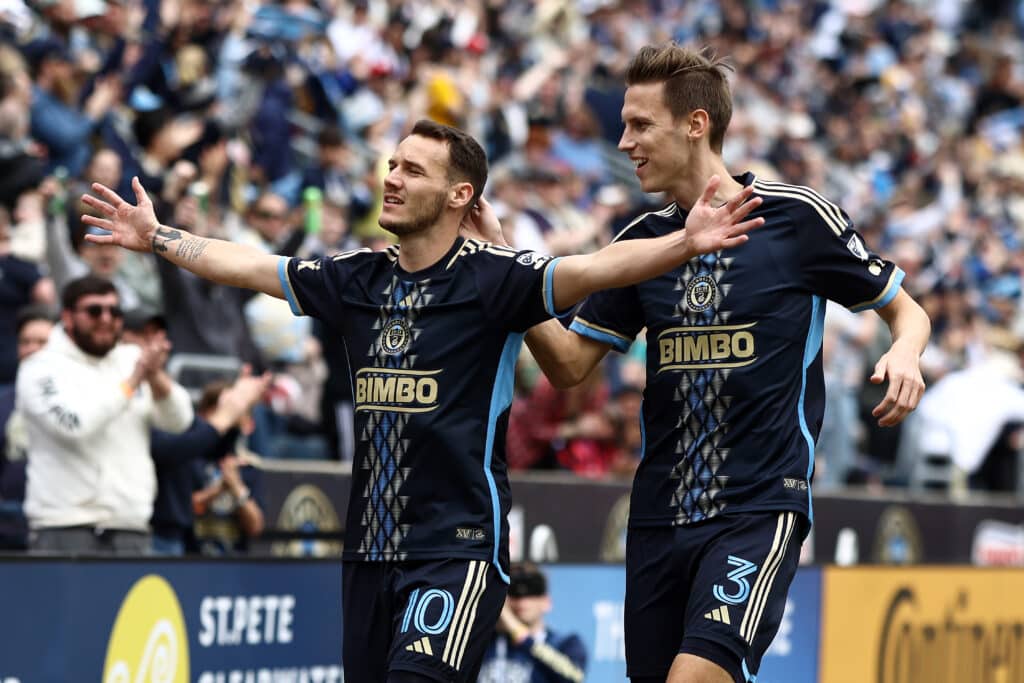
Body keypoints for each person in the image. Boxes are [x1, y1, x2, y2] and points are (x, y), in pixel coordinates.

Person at [80, 118, 762, 682]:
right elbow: (253, 265)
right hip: (368, 552)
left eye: (412, 170)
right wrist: (157, 237)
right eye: (392, 165)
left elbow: (593, 268)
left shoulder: (496, 279)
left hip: (457, 551)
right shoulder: (355, 278)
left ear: (460, 194)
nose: (392, 178)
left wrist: (685, 243)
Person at [515, 45, 932, 683]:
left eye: (640, 125)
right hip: (657, 515)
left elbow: (907, 311)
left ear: (696, 124)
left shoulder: (796, 217)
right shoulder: (641, 242)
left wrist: (904, 351)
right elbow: (569, 366)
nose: (624, 142)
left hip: (758, 508)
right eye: (624, 126)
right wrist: (514, 290)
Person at [16, 275, 193, 554]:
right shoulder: (40, 367)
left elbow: (179, 421)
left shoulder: (131, 358)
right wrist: (132, 382)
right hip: (64, 525)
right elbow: (74, 426)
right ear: (68, 317)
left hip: (130, 526)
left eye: (115, 311)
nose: (106, 319)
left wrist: (155, 375)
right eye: (94, 310)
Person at [477, 562, 586, 683]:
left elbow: (574, 677)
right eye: (514, 592)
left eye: (532, 592)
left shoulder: (566, 643)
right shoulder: (482, 641)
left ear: (547, 602)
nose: (522, 601)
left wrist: (520, 635)